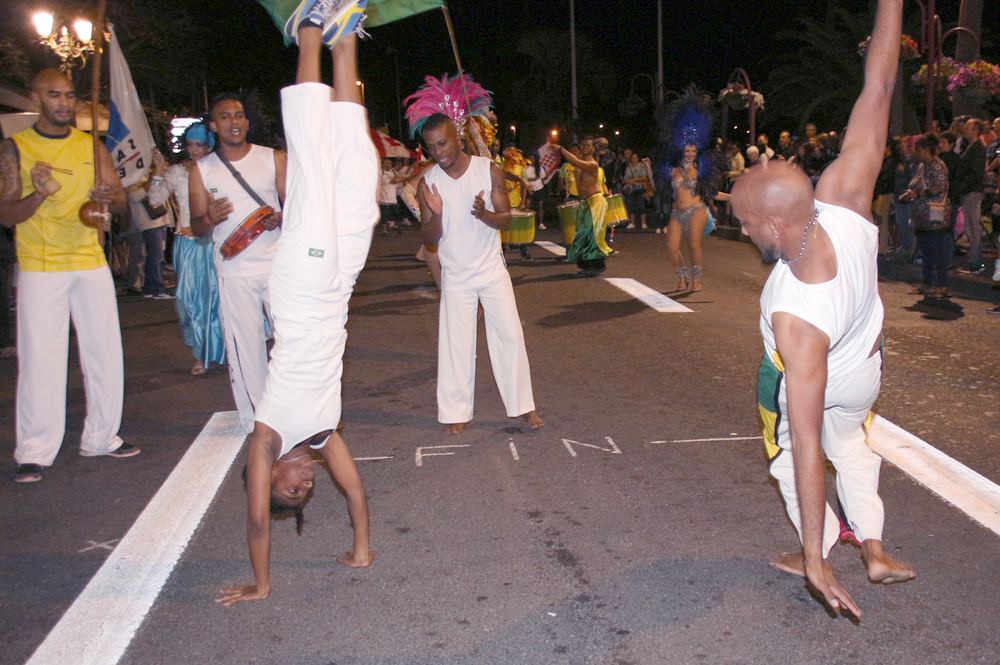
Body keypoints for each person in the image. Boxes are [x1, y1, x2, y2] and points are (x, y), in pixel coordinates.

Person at [730, 0, 914, 618]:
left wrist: (812, 560)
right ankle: (877, 546)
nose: (743, 232)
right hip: (863, 366)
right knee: (854, 446)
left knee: (787, 451)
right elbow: (880, 83)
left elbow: (805, 443)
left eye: (746, 223)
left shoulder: (796, 315)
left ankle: (827, 546)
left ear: (776, 223)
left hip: (819, 364)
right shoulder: (846, 192)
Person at [217, 1, 376, 607]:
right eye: (307, 491)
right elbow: (355, 490)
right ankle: (343, 44)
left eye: (290, 490)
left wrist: (261, 585)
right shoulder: (323, 433)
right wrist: (361, 547)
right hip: (337, 290)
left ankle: (308, 30)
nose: (304, 483)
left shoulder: (268, 435)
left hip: (301, 287)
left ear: (269, 477)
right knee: (356, 174)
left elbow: (256, 523)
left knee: (310, 165)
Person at [0, 69, 138, 483]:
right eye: (53, 95)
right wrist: (39, 193)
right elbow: (6, 213)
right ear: (36, 97)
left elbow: (118, 200)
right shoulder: (15, 148)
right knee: (41, 359)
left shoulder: (90, 145)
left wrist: (109, 197)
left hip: (89, 259)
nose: (63, 102)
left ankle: (101, 436)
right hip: (42, 265)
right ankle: (35, 450)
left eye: (68, 95)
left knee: (105, 353)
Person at [417, 114, 544, 435]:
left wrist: (484, 213)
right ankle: (457, 410)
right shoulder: (428, 182)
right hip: (456, 276)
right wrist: (435, 212)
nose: (439, 152)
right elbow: (430, 239)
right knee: (455, 345)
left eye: (443, 143)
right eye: (431, 147)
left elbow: (506, 220)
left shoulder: (488, 170)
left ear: (457, 136)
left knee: (510, 336)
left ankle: (523, 405)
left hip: (490, 270)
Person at [189, 89, 287, 435]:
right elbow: (198, 227)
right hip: (234, 268)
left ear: (247, 121)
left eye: (240, 115)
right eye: (226, 116)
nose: (235, 121)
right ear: (214, 125)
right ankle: (258, 420)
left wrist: (281, 217)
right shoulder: (202, 170)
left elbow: (296, 208)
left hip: (277, 264)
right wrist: (210, 217)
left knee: (293, 339)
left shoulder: (273, 157)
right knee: (245, 346)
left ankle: (295, 405)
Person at [147, 123, 227, 375]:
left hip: (215, 241)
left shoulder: (220, 169)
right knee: (188, 301)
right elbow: (155, 200)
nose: (194, 150)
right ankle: (201, 352)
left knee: (219, 299)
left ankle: (227, 351)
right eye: (190, 144)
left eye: (200, 145)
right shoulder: (177, 171)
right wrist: (158, 171)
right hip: (187, 244)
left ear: (210, 145)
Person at [902, 134, 951, 297]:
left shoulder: (938, 165)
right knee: (926, 250)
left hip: (935, 213)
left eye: (919, 150)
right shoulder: (923, 165)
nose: (916, 153)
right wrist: (911, 193)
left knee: (937, 249)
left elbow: (941, 186)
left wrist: (919, 193)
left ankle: (942, 286)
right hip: (923, 214)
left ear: (926, 150)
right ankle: (927, 284)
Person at [560, 136, 609, 276]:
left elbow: (574, 160)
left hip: (596, 201)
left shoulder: (593, 164)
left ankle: (596, 266)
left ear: (593, 149)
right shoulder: (579, 164)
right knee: (582, 234)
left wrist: (560, 149)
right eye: (583, 145)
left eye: (588, 145)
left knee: (592, 234)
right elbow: (575, 161)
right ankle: (587, 265)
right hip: (586, 201)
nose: (585, 147)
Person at [667, 144, 711, 291]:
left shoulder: (699, 171)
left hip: (696, 210)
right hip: (677, 212)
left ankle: (696, 278)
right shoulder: (674, 170)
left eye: (693, 151)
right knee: (672, 247)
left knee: (693, 245)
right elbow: (659, 187)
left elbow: (710, 192)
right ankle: (683, 277)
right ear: (682, 152)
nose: (690, 154)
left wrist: (731, 197)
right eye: (687, 150)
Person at [953, 119, 987, 274]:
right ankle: (974, 259)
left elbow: (976, 173)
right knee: (971, 226)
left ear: (975, 130)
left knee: (973, 226)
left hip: (972, 191)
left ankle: (975, 261)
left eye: (968, 127)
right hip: (969, 190)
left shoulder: (977, 148)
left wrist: (963, 186)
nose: (965, 129)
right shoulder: (973, 147)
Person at [623, 151, 650, 229]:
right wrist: (631, 181)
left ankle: (643, 223)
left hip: (640, 187)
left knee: (641, 205)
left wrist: (634, 179)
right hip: (631, 189)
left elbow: (645, 177)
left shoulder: (642, 166)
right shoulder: (628, 167)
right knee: (631, 205)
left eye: (635, 158)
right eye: (633, 158)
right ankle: (632, 223)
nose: (634, 159)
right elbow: (625, 179)